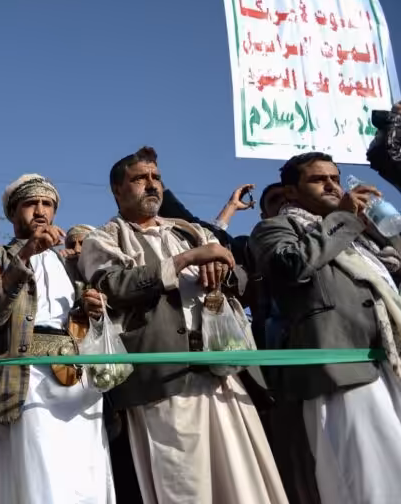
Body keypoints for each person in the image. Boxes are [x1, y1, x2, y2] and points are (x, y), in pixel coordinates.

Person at [79, 146, 287, 504]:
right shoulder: (104, 238)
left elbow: (238, 274)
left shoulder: (188, 230)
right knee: (185, 486)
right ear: (117, 190)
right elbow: (113, 286)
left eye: (156, 178)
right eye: (139, 178)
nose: (151, 185)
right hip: (165, 379)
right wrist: (187, 260)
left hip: (222, 371)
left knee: (242, 483)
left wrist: (223, 268)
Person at [251, 152, 401, 503]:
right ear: (291, 191)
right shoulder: (275, 228)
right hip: (345, 370)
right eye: (319, 179)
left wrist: (385, 228)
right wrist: (343, 218)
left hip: (390, 363)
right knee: (370, 482)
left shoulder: (363, 236)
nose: (332, 185)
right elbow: (290, 267)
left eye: (335, 177)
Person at [0, 174, 113, 503]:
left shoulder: (71, 262)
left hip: (76, 379)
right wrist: (25, 254)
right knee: (39, 472)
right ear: (13, 213)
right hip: (26, 379)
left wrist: (94, 307)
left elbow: (83, 318)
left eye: (47, 204)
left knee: (86, 473)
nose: (40, 211)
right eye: (30, 203)